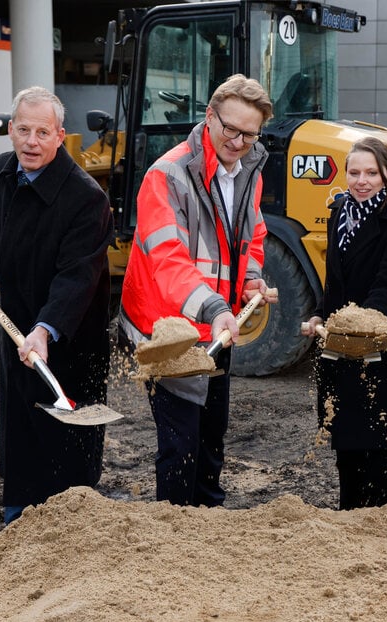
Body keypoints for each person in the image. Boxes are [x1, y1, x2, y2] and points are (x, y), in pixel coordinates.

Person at [118, 74, 277, 507]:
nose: (239, 141)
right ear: (209, 117)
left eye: (250, 134)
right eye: (230, 129)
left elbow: (254, 234)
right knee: (180, 442)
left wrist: (249, 280)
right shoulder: (166, 175)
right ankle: (173, 532)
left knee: (211, 434)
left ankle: (208, 520)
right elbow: (167, 258)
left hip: (216, 325)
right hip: (167, 331)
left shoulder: (248, 173)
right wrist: (214, 307)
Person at [0, 86, 113, 525]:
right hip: (18, 327)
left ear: (60, 136)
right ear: (10, 130)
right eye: (23, 130)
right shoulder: (0, 173)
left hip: (71, 338)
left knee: (67, 442)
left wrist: (46, 330)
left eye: (42, 132)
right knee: (20, 431)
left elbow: (77, 276)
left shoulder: (87, 198)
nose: (32, 141)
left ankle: (72, 526)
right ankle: (17, 519)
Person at [303, 137, 387, 510]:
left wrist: (352, 326)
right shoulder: (339, 213)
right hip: (344, 350)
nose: (361, 181)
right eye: (354, 172)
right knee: (347, 442)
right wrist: (319, 313)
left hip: (385, 350)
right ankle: (351, 523)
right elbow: (336, 280)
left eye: (371, 173)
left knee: (380, 447)